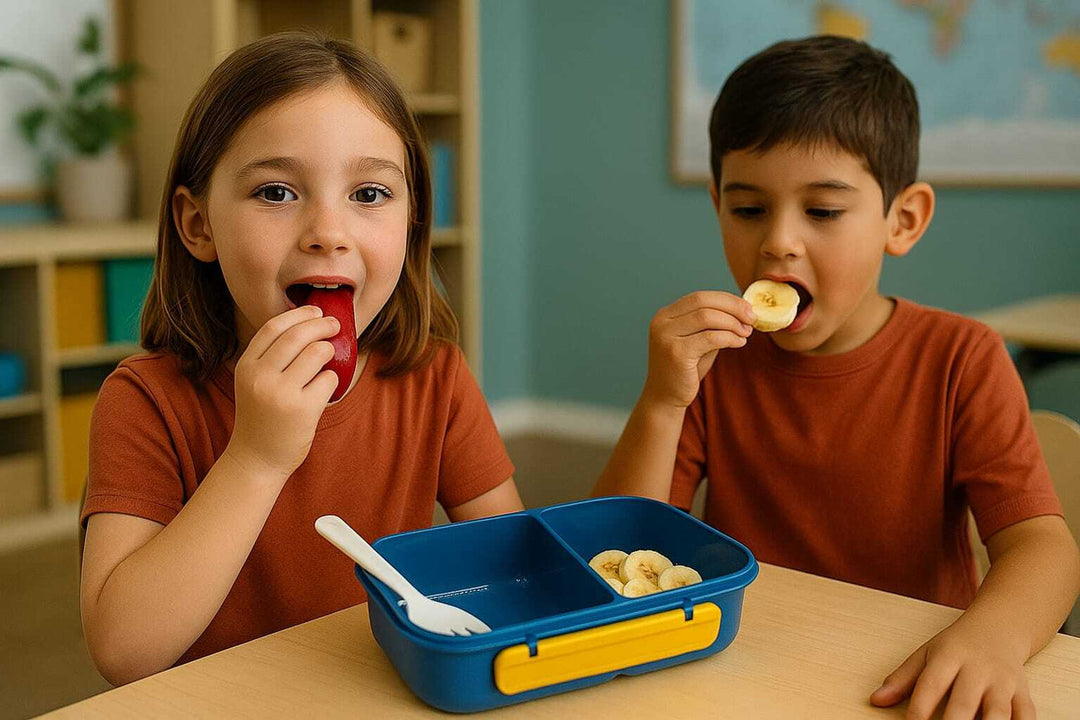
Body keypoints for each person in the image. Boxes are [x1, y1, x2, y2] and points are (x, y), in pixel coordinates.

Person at [593, 36, 1079, 719]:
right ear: (717, 207)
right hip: (746, 667)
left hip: (905, 676)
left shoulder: (961, 358)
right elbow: (616, 556)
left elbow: (1042, 546)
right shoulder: (712, 366)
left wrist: (992, 639)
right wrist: (661, 401)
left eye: (822, 211)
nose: (778, 242)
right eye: (749, 209)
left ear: (901, 220)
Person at [80, 32, 523, 685]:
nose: (328, 233)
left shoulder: (434, 378)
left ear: (411, 221)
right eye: (277, 193)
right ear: (198, 224)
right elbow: (124, 652)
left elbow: (511, 570)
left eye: (369, 195)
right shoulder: (146, 400)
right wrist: (257, 456)